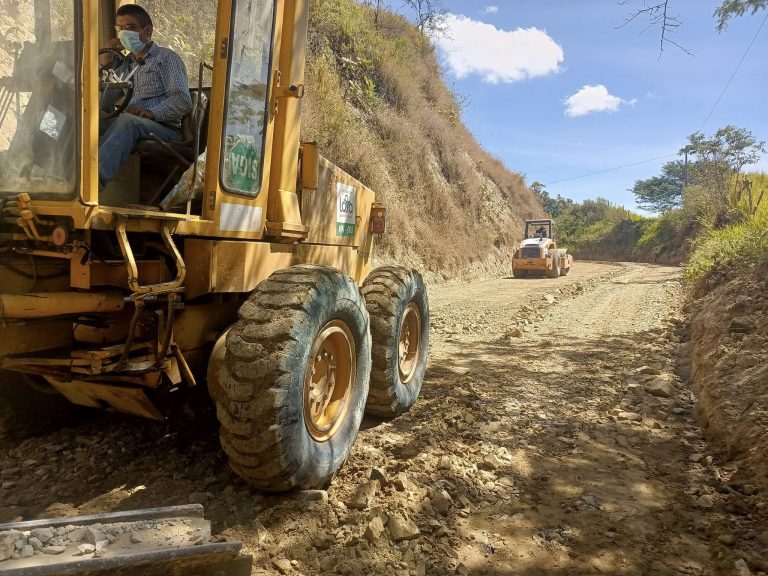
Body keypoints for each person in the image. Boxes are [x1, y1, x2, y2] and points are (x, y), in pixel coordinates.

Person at [98, 5, 192, 189]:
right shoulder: (125, 65)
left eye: (130, 27)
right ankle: (53, 171)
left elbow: (183, 101)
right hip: (133, 123)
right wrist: (108, 63)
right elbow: (106, 104)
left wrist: (150, 112)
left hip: (165, 128)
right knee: (84, 118)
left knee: (128, 121)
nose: (124, 33)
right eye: (120, 28)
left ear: (147, 31)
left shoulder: (166, 58)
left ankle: (91, 184)